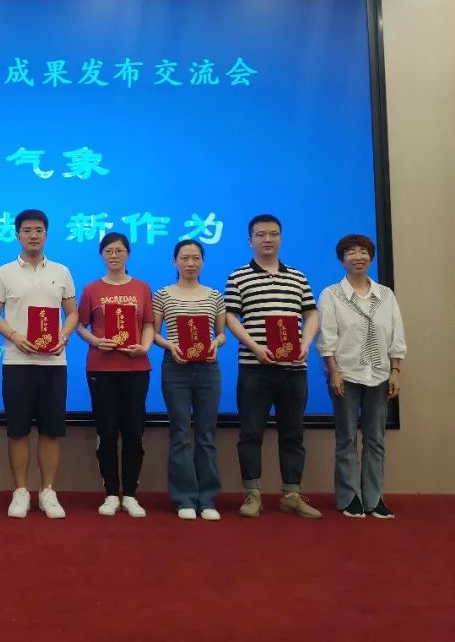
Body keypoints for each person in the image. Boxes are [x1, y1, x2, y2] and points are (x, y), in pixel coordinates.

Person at [224, 214, 321, 519]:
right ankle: (252, 494)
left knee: (293, 434)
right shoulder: (238, 276)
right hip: (254, 368)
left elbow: (311, 314)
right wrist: (255, 347)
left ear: (281, 238)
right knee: (250, 433)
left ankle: (291, 494)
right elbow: (230, 317)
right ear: (249, 240)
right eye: (261, 234)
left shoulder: (298, 277)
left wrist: (305, 344)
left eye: (274, 234)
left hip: (294, 369)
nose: (268, 239)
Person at [0, 209, 77, 519]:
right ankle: (21, 491)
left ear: (46, 234)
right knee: (18, 430)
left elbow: (73, 313)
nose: (33, 235)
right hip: (17, 361)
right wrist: (14, 336)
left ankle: (48, 491)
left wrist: (63, 337)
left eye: (38, 230)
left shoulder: (62, 271)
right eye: (27, 230)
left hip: (54, 363)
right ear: (17, 234)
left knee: (51, 430)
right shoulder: (4, 272)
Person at [317, 234, 406, 519]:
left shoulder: (386, 295)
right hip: (345, 375)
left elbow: (396, 335)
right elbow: (326, 338)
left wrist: (395, 371)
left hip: (379, 375)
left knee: (376, 439)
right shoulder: (331, 294)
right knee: (346, 438)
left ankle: (374, 498)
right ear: (342, 259)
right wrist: (333, 372)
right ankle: (350, 498)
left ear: (371, 256)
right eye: (351, 252)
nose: (358, 257)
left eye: (363, 251)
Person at [76, 232, 155, 518]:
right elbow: (79, 326)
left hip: (136, 368)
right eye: (108, 250)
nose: (114, 255)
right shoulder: (91, 289)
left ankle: (130, 494)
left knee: (133, 433)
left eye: (119, 250)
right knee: (107, 432)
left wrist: (144, 347)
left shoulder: (142, 287)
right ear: (102, 255)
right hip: (101, 368)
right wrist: (96, 341)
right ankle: (111, 493)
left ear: (128, 254)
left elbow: (148, 324)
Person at [151, 239, 227, 521]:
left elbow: (221, 334)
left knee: (206, 434)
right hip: (176, 368)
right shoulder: (162, 294)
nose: (190, 263)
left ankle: (207, 499)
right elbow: (153, 333)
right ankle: (184, 498)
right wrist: (170, 345)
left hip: (208, 369)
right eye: (184, 258)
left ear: (203, 262)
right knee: (181, 433)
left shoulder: (214, 295)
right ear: (175, 261)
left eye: (196, 258)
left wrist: (215, 344)